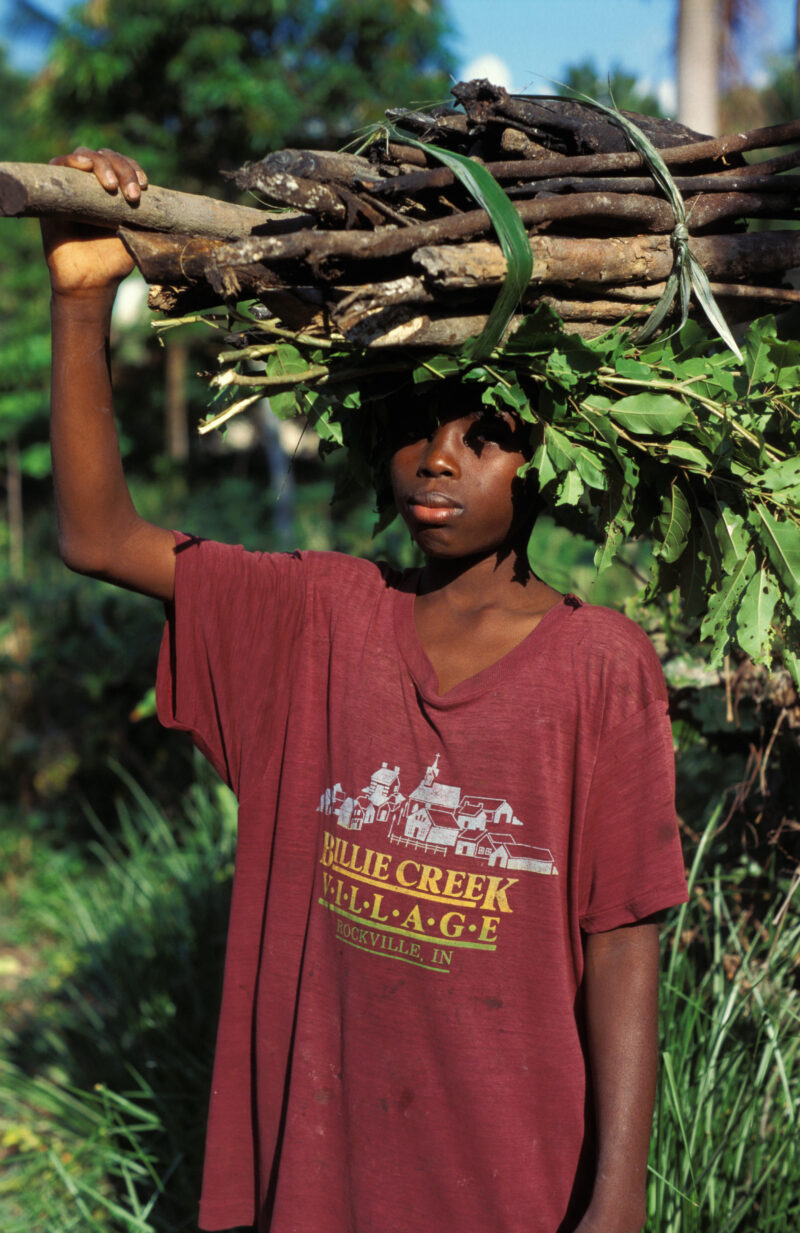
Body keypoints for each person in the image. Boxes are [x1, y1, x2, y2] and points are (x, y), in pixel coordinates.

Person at [43, 146, 688, 1233]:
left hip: (509, 1169)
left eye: (485, 437)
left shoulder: (599, 665)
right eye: (418, 431)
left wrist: (615, 1196)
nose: (439, 460)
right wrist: (78, 297)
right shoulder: (322, 617)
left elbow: (620, 939)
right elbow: (98, 535)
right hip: (322, 1162)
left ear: (551, 462)